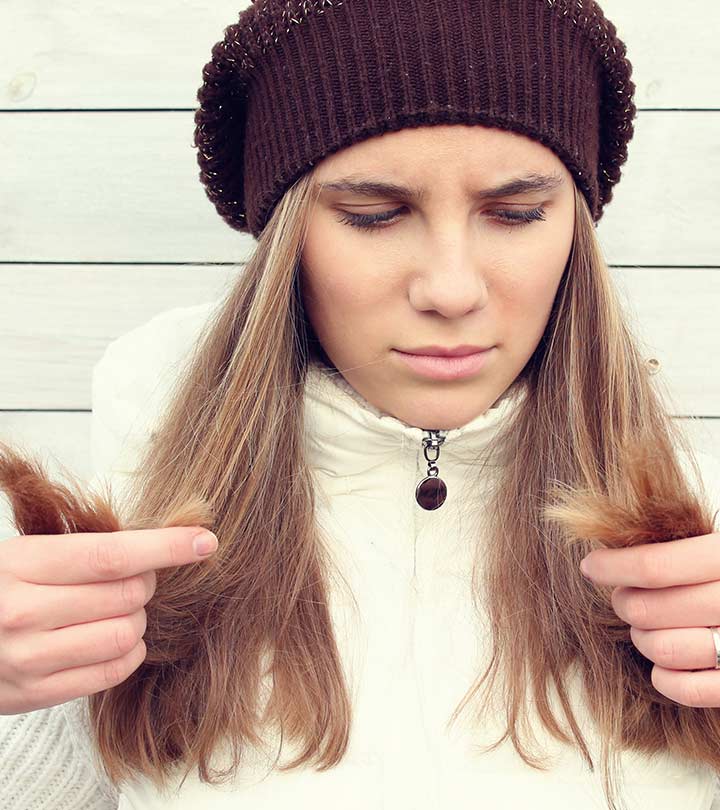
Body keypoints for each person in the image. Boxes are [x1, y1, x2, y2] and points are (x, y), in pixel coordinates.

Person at [2, 1, 720, 809]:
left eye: (516, 213)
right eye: (374, 216)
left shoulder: (702, 535)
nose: (451, 289)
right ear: (288, 242)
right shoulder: (128, 527)